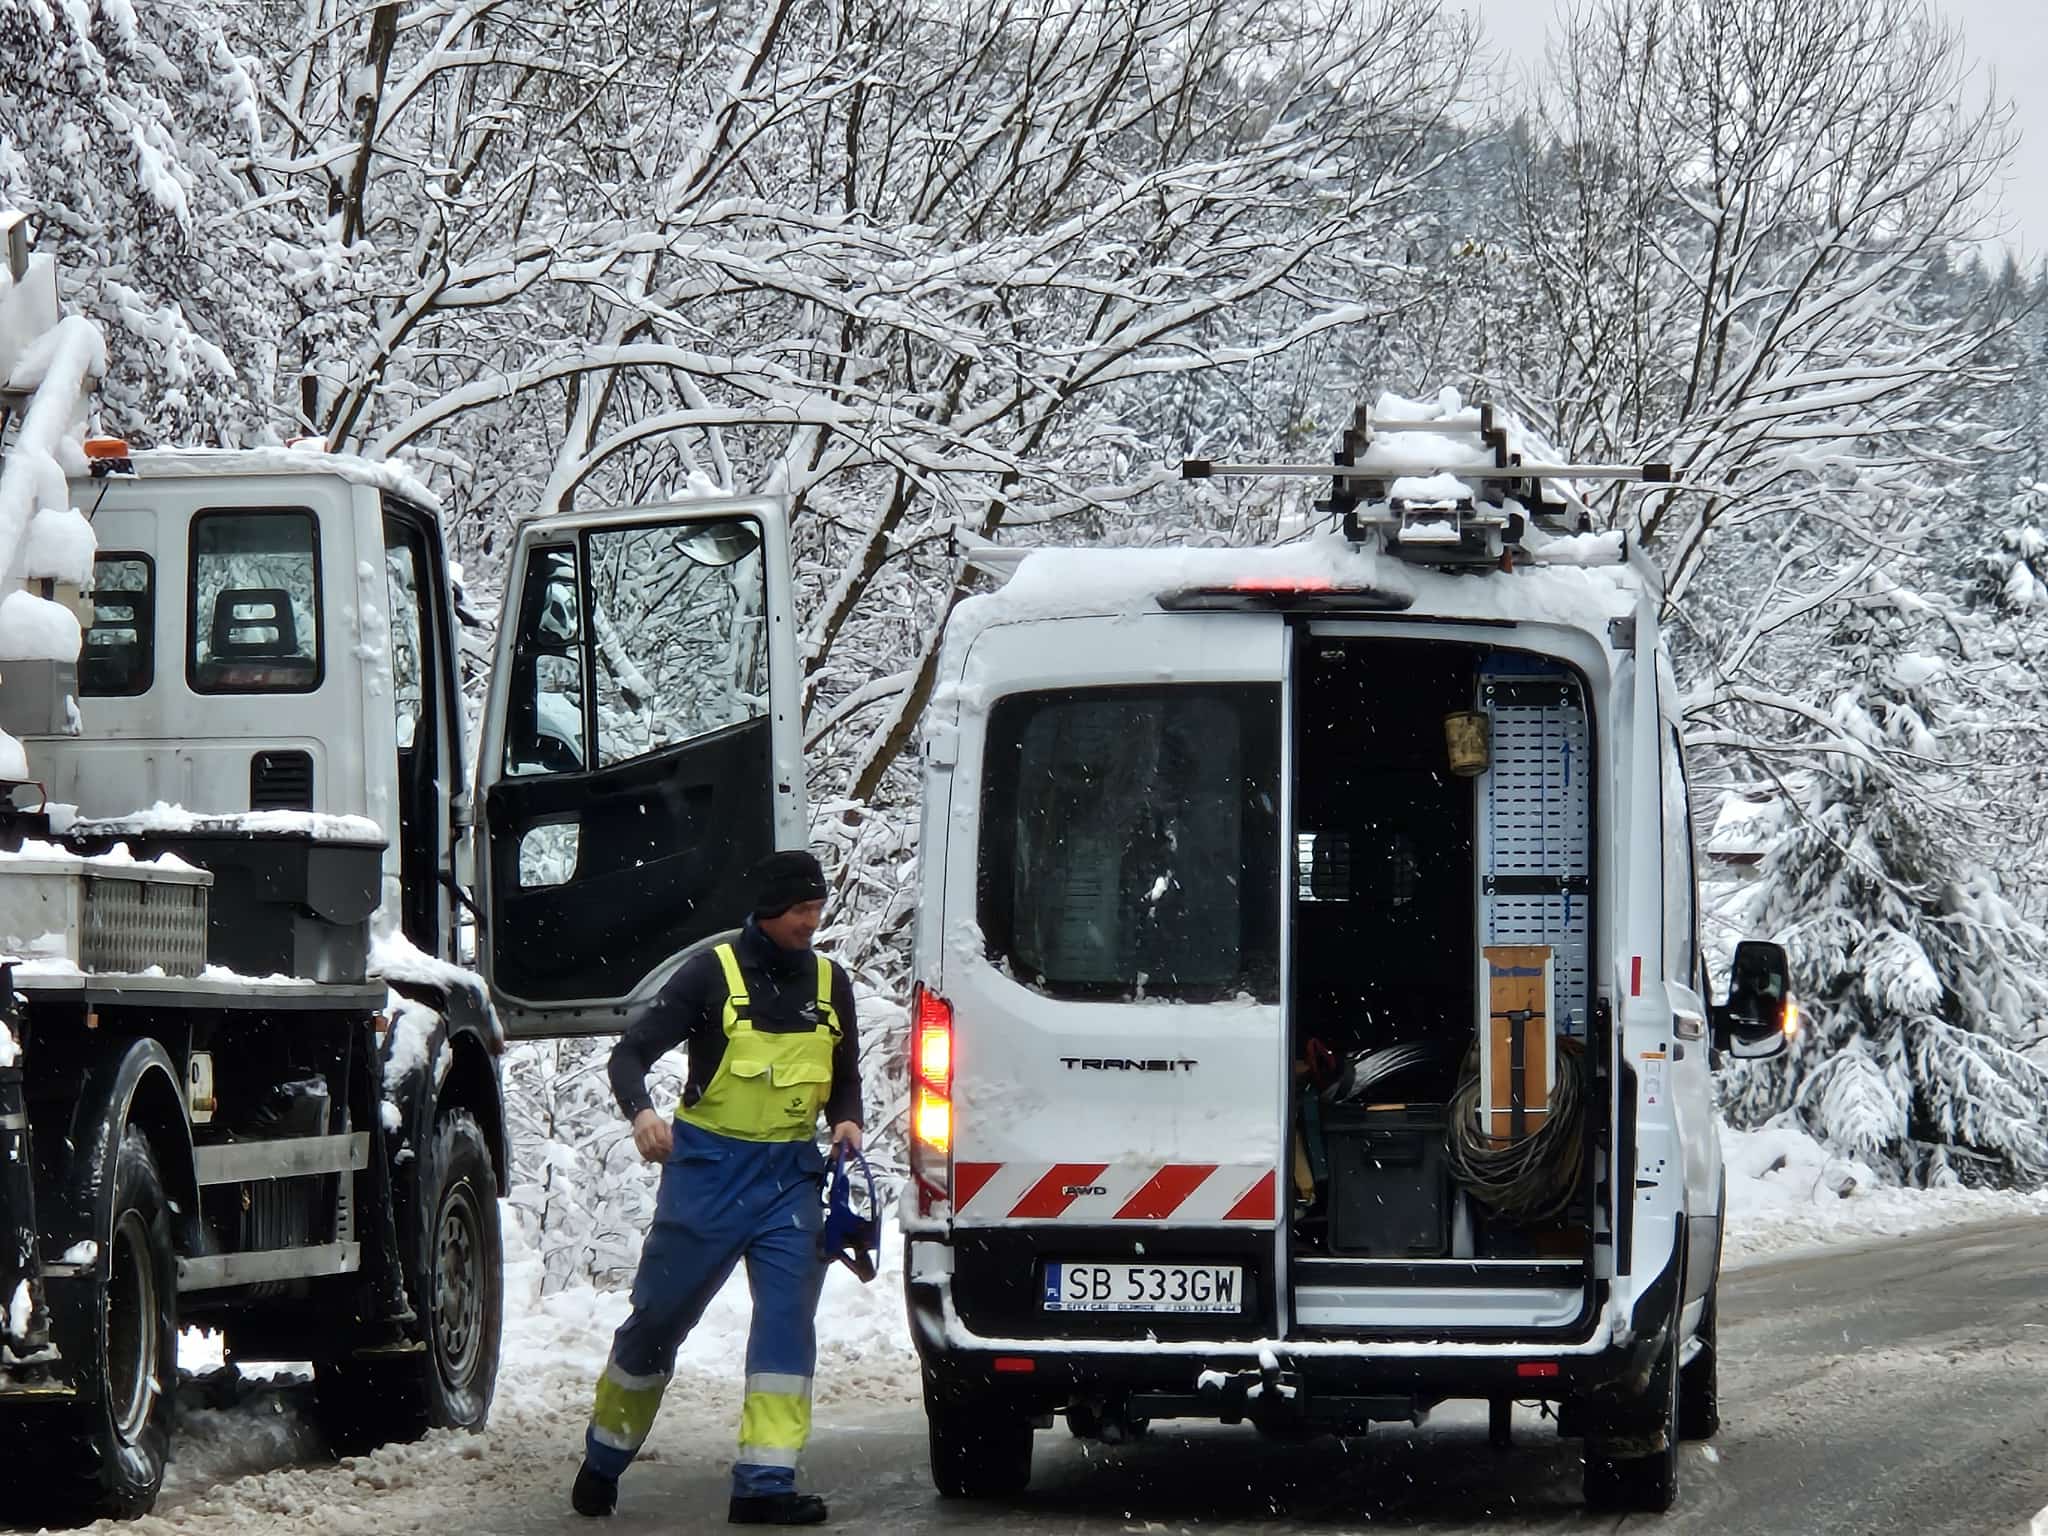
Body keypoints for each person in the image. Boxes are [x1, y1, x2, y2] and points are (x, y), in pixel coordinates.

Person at [570, 849, 862, 1527]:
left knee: (787, 1324)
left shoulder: (830, 982)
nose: (810, 922)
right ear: (767, 910)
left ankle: (765, 1482)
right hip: (706, 1179)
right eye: (799, 909)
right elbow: (629, 1055)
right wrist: (642, 1113)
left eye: (817, 909)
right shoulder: (710, 973)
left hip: (791, 1181)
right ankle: (604, 1455)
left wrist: (847, 1119)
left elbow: (844, 1074)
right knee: (657, 1326)